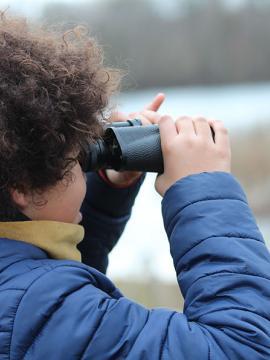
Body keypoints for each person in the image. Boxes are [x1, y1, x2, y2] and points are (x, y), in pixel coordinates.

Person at [0, 15, 269, 360]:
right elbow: (244, 348)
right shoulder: (39, 309)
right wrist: (203, 188)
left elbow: (50, 318)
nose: (83, 173)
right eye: (76, 162)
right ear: (22, 185)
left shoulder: (29, 302)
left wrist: (106, 190)